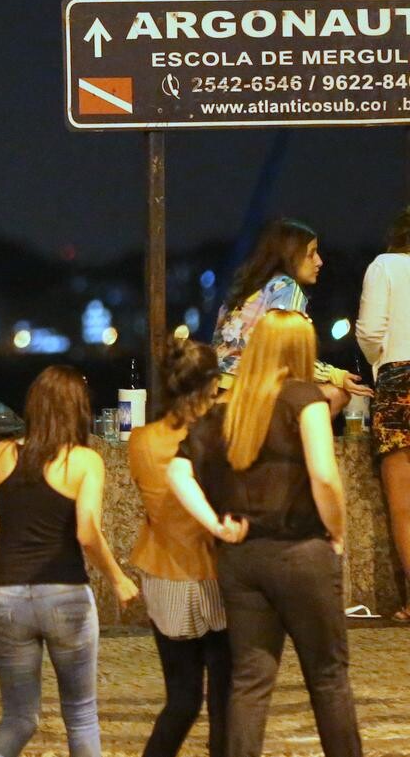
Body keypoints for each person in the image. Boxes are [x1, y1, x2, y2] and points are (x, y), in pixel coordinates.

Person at [169, 310, 362, 757]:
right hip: (301, 553)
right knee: (329, 677)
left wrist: (215, 523)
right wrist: (337, 531)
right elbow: (325, 477)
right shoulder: (303, 397)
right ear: (300, 349)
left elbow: (176, 472)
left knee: (250, 681)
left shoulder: (223, 411)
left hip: (242, 560)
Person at [0, 365, 139, 757]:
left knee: (18, 718)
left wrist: (13, 556)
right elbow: (87, 531)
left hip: (6, 598)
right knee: (80, 716)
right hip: (65, 595)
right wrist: (117, 578)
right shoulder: (83, 461)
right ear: (77, 410)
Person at [129, 339, 230, 757]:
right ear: (212, 383)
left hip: (164, 573)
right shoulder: (221, 432)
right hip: (217, 574)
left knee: (182, 699)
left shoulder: (142, 440)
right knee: (225, 700)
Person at [212, 217, 371, 414]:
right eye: (311, 254)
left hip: (219, 390)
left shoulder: (244, 289)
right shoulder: (286, 287)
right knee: (336, 395)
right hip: (253, 391)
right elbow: (290, 354)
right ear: (291, 256)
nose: (319, 261)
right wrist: (336, 375)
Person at [356, 209, 410, 623]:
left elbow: (371, 332)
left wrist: (383, 366)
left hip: (401, 381)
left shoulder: (386, 266)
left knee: (404, 504)